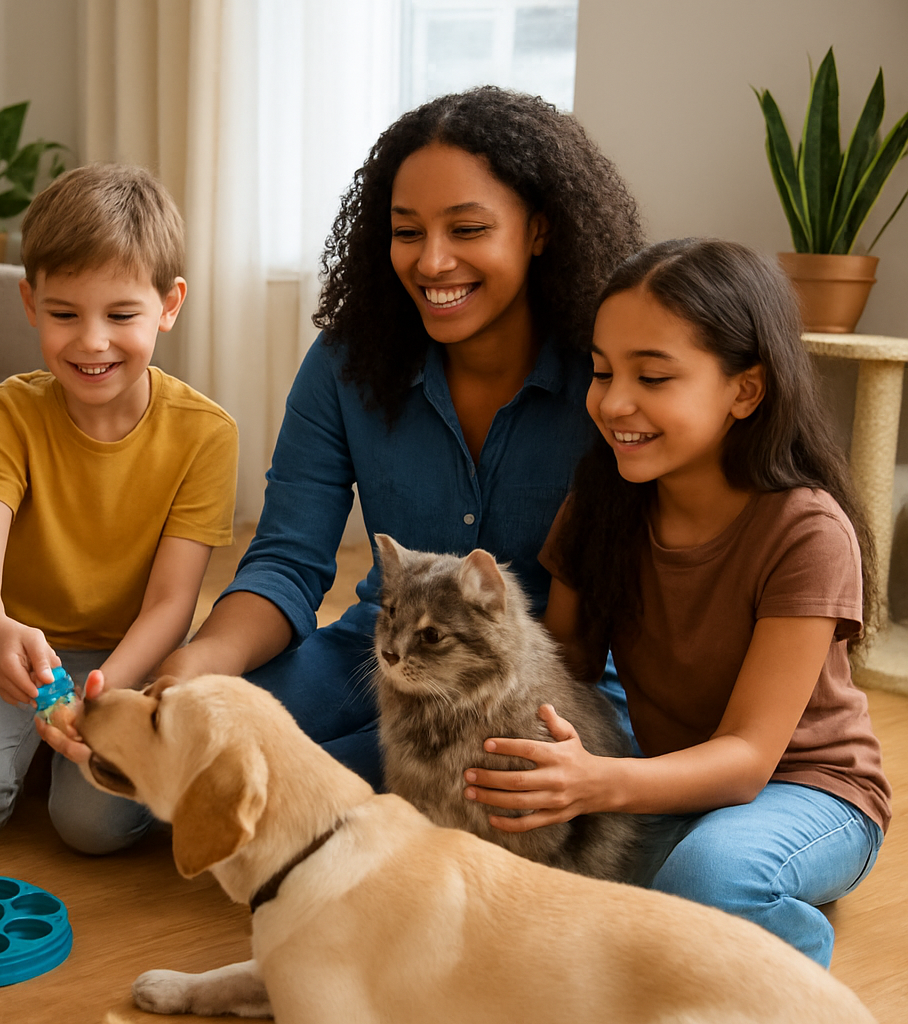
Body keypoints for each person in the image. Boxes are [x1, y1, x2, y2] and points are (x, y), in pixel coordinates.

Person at [47, 88, 644, 785]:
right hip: (374, 648)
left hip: (531, 686)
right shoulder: (346, 362)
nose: (432, 262)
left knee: (296, 796)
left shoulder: (609, 378)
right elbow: (287, 562)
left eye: (468, 229)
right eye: (408, 231)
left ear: (539, 229)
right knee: (177, 758)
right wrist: (195, 667)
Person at [465, 238, 889, 967]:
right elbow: (562, 671)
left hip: (810, 791)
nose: (613, 402)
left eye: (653, 376)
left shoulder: (807, 531)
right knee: (515, 866)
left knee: (705, 875)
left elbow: (750, 759)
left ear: (745, 390)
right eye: (601, 372)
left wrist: (598, 784)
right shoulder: (602, 503)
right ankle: (725, 906)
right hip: (666, 776)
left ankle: (788, 964)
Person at [0, 164, 238, 854]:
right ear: (30, 303)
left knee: (94, 829)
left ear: (169, 304)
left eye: (121, 315)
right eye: (65, 314)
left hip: (128, 654)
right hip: (17, 647)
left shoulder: (207, 435)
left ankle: (48, 762)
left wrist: (104, 690)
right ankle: (31, 754)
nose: (92, 342)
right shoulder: (7, 414)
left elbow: (172, 604)